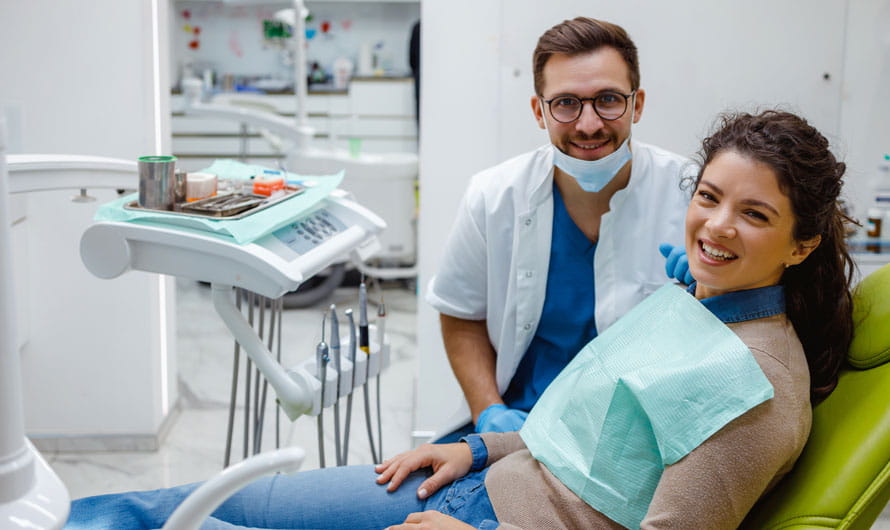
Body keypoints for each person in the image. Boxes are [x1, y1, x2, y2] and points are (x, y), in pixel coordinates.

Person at [66, 109, 853, 529]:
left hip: (488, 523)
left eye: (754, 214)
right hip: (485, 478)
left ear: (803, 242)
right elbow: (596, 437)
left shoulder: (752, 390)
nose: (715, 227)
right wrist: (477, 445)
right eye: (708, 197)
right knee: (185, 507)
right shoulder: (700, 304)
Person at [424, 17, 692, 442]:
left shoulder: (693, 195)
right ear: (539, 111)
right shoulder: (494, 196)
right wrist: (488, 410)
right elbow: (460, 314)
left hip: (638, 442)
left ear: (637, 104)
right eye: (566, 103)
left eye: (608, 99)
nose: (588, 124)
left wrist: (715, 294)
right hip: (518, 429)